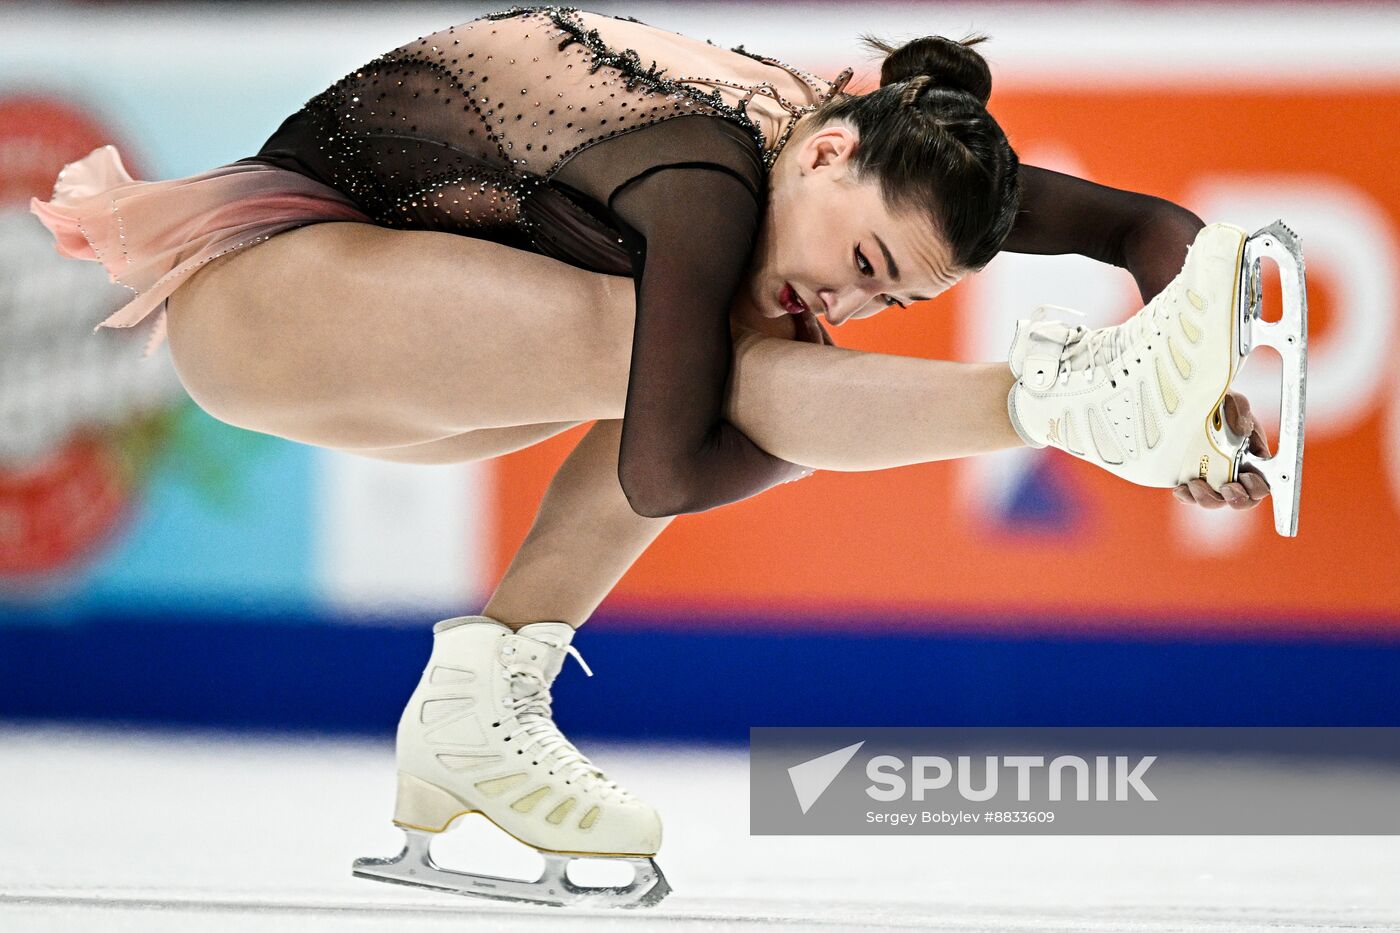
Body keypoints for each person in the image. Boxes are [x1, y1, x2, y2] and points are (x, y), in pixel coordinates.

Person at [29, 5, 1276, 908]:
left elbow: (1149, 229)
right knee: (698, 353)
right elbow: (668, 473)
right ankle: (1063, 407)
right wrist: (1084, 411)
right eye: (861, 270)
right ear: (832, 152)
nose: (845, 301)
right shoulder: (705, 179)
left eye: (884, 298)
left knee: (720, 345)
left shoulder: (896, 155)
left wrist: (1202, 385)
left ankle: (476, 706)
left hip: (411, 332)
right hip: (271, 311)